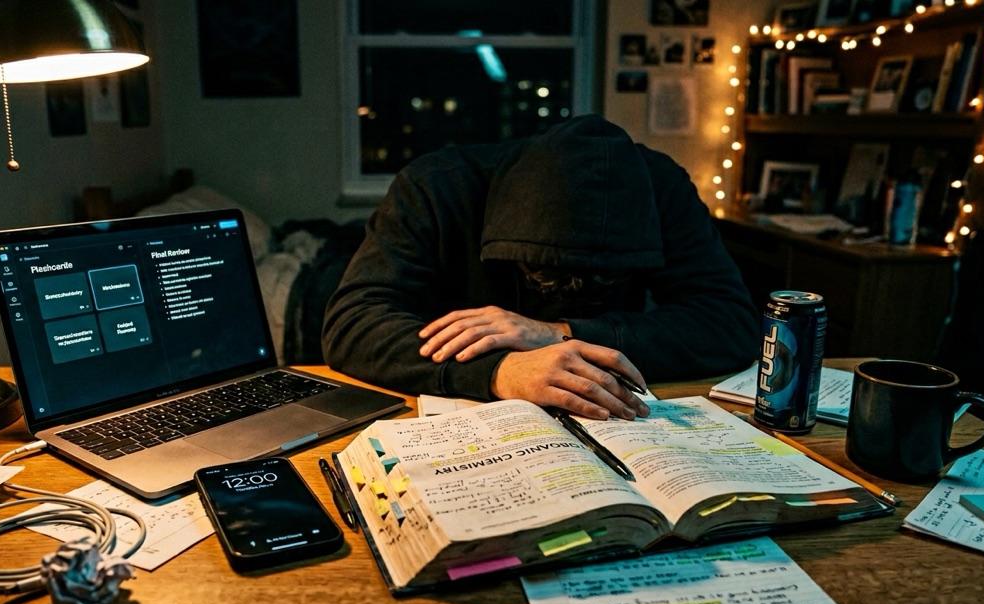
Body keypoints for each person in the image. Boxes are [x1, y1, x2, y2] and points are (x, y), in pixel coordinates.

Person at [322, 115, 757, 420]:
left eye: (603, 279)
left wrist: (560, 333)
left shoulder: (662, 188)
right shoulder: (437, 186)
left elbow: (731, 322)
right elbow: (352, 324)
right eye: (544, 276)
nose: (568, 294)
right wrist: (499, 371)